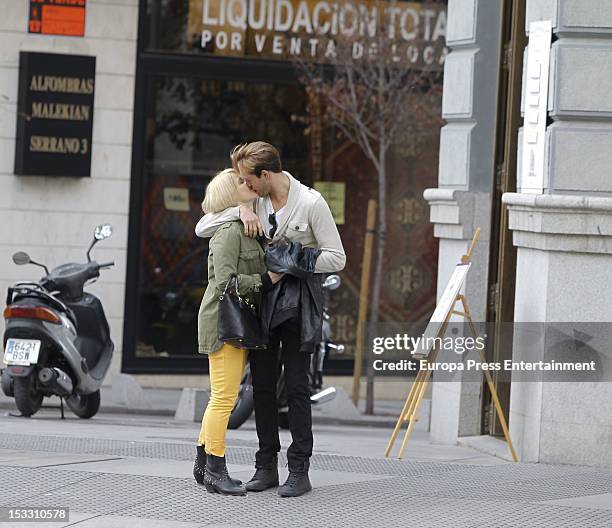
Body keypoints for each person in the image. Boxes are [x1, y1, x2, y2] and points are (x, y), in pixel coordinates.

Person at [195, 142, 346, 497]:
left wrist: (294, 259)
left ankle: (299, 470)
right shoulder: (254, 201)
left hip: (296, 304)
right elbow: (204, 226)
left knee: (296, 387)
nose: (242, 184)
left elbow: (337, 258)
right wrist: (241, 211)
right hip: (260, 304)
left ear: (265, 176)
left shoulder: (311, 202)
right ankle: (266, 468)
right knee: (261, 387)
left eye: (247, 179)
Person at [193, 168, 283, 496]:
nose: (248, 185)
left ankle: (204, 465)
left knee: (220, 396)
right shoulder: (230, 232)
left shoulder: (246, 227)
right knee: (224, 399)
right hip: (224, 323)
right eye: (241, 184)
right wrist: (266, 279)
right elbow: (225, 283)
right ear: (231, 197)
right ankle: (216, 468)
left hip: (234, 323)